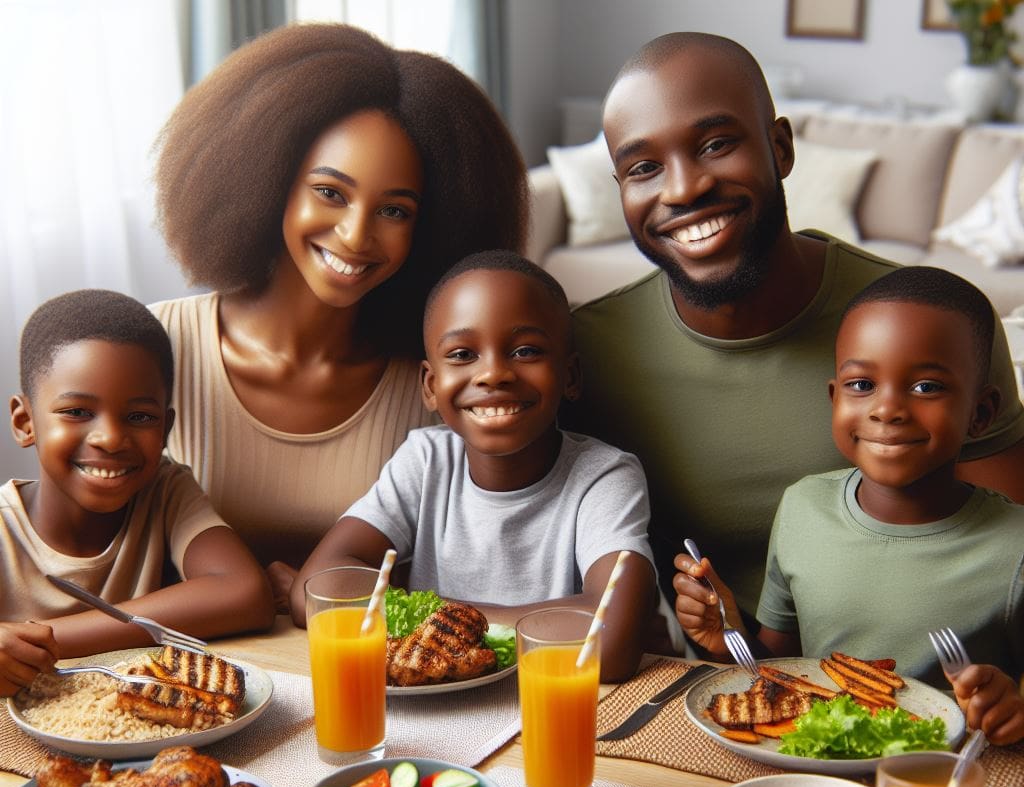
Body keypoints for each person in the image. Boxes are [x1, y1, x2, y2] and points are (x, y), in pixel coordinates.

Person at [566, 32, 1024, 620]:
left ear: (780, 148)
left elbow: (1005, 568)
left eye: (716, 144)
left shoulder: (940, 325)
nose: (683, 188)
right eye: (644, 167)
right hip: (688, 682)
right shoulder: (588, 352)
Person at [150, 23, 528, 603]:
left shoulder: (437, 383)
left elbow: (468, 565)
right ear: (269, 182)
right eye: (330, 192)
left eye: (395, 211)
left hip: (382, 673)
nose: (355, 235)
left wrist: (315, 593)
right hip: (195, 677)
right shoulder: (160, 348)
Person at [675, 268, 1024, 745]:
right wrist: (727, 634)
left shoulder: (1015, 548)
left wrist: (1011, 709)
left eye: (926, 387)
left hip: (944, 781)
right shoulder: (803, 508)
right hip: (818, 768)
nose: (887, 409)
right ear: (834, 398)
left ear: (980, 415)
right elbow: (782, 672)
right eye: (862, 385)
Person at [290, 251, 658, 681]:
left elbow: (611, 643)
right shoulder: (426, 460)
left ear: (570, 375)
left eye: (525, 351)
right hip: (425, 710)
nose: (494, 374)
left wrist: (434, 616)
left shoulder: (604, 476)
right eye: (463, 354)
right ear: (431, 386)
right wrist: (548, 622)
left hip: (541, 708)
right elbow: (315, 593)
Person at [0, 290, 275, 695]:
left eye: (139, 417)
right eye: (77, 411)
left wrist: (43, 639)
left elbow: (244, 591)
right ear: (26, 423)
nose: (111, 438)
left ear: (164, 430)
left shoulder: (164, 491)